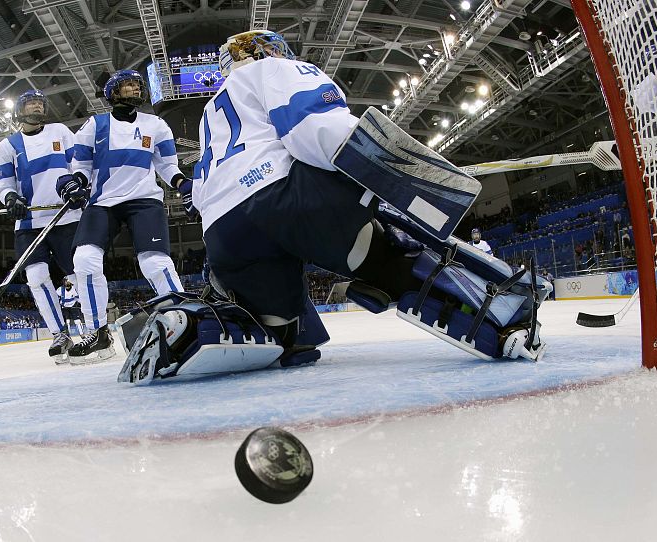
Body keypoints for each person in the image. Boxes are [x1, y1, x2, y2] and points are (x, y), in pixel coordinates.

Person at [172, 29, 547, 378]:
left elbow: (200, 197)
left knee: (285, 332)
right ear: (266, 51)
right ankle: (501, 321)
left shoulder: (209, 115)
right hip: (284, 199)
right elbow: (317, 128)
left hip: (222, 234)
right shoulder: (271, 69)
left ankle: (265, 323)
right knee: (387, 255)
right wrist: (399, 182)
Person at [56, 69, 188, 362]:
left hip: (144, 200)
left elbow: (168, 166)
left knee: (154, 262)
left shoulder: (156, 125)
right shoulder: (94, 125)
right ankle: (98, 333)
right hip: (103, 202)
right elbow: (80, 166)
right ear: (113, 93)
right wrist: (74, 183)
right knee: (84, 260)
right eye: (128, 85)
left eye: (137, 85)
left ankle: (185, 318)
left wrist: (182, 184)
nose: (135, 89)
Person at [0, 89, 82, 364]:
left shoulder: (60, 131)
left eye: (40, 103)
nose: (36, 107)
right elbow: (3, 182)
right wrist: (10, 197)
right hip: (29, 223)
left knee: (81, 272)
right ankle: (60, 334)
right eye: (30, 103)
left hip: (67, 217)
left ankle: (95, 330)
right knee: (36, 277)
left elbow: (79, 162)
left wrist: (79, 185)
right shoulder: (8, 145)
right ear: (19, 111)